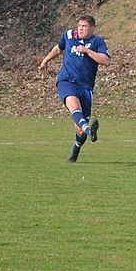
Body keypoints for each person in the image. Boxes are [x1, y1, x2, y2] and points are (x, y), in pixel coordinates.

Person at [39, 15, 111, 163]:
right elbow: (58, 49)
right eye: (79, 25)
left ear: (92, 28)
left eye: (84, 26)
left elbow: (106, 61)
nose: (81, 29)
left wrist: (87, 51)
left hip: (86, 87)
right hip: (66, 81)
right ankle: (89, 130)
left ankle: (76, 150)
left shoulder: (97, 42)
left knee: (79, 130)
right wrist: (45, 60)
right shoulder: (69, 35)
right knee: (74, 106)